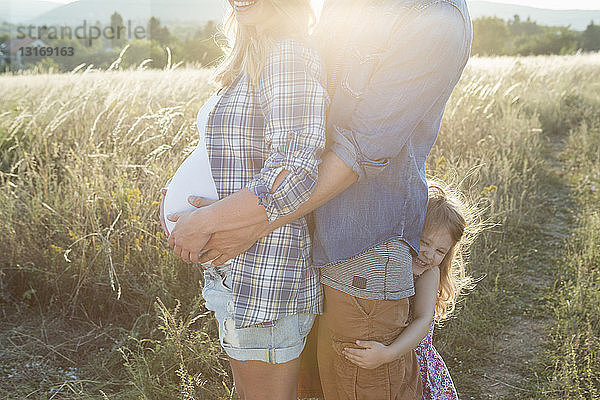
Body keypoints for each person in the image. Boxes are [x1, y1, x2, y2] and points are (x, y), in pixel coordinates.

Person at [168, 0, 473, 398]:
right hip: (303, 243)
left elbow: (357, 150)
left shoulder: (436, 20)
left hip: (360, 256)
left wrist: (235, 225)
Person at [163, 1, 328, 398]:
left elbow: (295, 169)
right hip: (237, 271)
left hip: (264, 276)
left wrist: (203, 221)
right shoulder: (256, 56)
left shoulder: (289, 52)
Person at [342, 184, 477, 400]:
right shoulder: (389, 261)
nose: (429, 255)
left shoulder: (428, 273)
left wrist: (388, 354)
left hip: (411, 362)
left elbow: (423, 319)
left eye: (440, 251)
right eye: (424, 242)